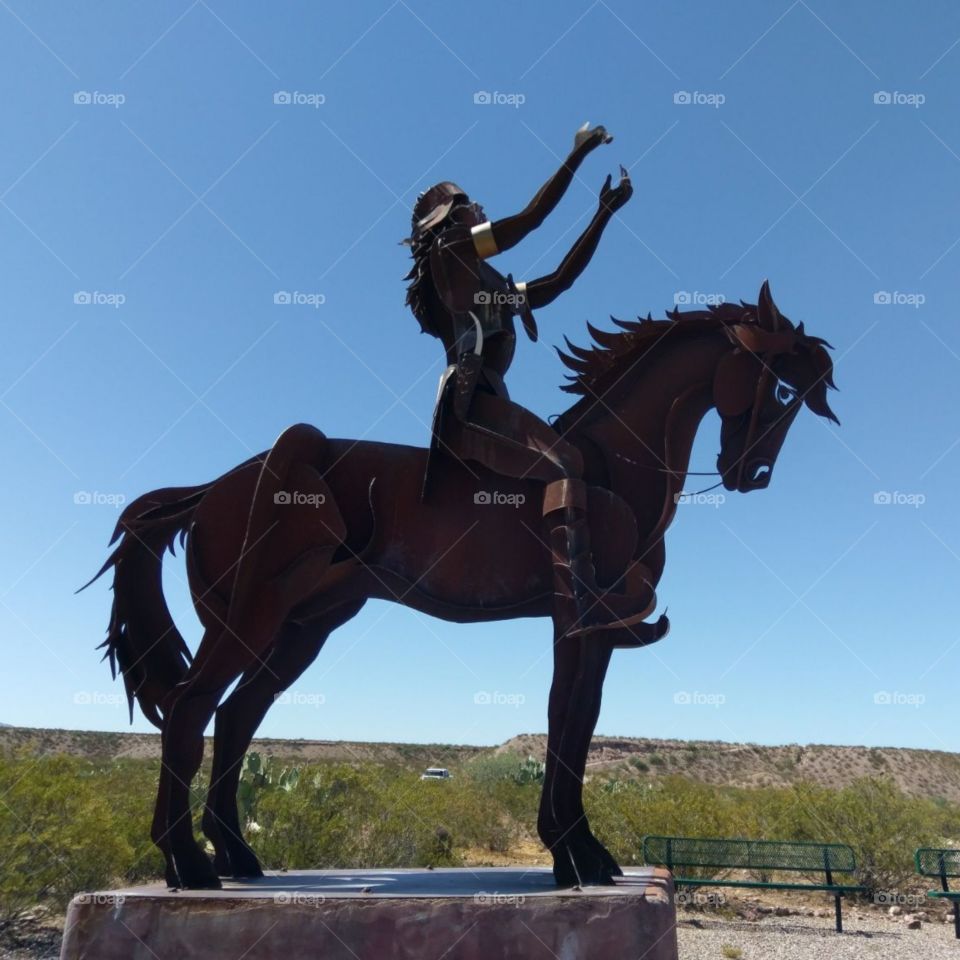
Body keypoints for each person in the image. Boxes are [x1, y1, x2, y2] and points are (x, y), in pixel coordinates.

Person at [404, 123, 649, 638]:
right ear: (448, 219)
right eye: (471, 205)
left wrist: (603, 214)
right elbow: (533, 220)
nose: (481, 210)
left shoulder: (490, 283)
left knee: (569, 457)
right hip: (468, 404)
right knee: (565, 461)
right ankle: (580, 604)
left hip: (493, 397)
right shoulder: (450, 251)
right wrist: (577, 152)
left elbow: (557, 282)